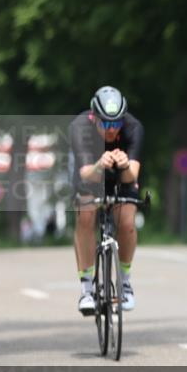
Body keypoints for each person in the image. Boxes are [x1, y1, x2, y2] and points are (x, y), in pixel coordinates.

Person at [69, 86, 144, 315]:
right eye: (106, 124)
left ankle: (125, 282)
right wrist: (100, 164)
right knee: (86, 215)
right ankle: (87, 288)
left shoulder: (133, 128)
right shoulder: (80, 127)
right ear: (94, 118)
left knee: (128, 222)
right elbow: (85, 174)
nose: (112, 130)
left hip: (121, 178)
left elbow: (133, 175)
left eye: (116, 124)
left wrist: (124, 165)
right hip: (91, 175)